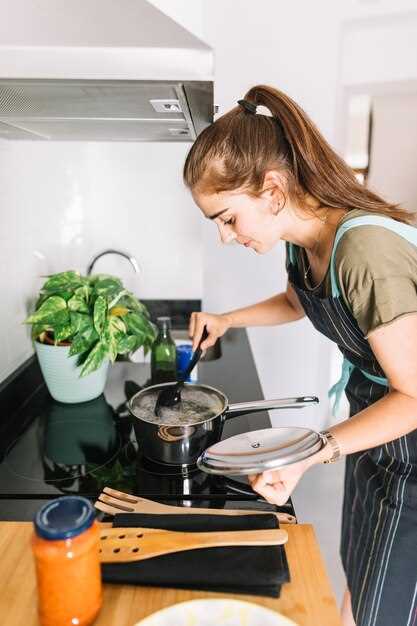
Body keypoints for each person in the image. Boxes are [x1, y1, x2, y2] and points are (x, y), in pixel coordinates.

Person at [184, 85, 417, 626]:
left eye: (226, 217)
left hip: (405, 423)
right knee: (361, 571)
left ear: (271, 189)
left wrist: (311, 453)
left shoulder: (365, 250)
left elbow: (413, 396)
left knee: (392, 600)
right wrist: (227, 320)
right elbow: (299, 299)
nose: (225, 237)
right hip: (375, 420)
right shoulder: (305, 238)